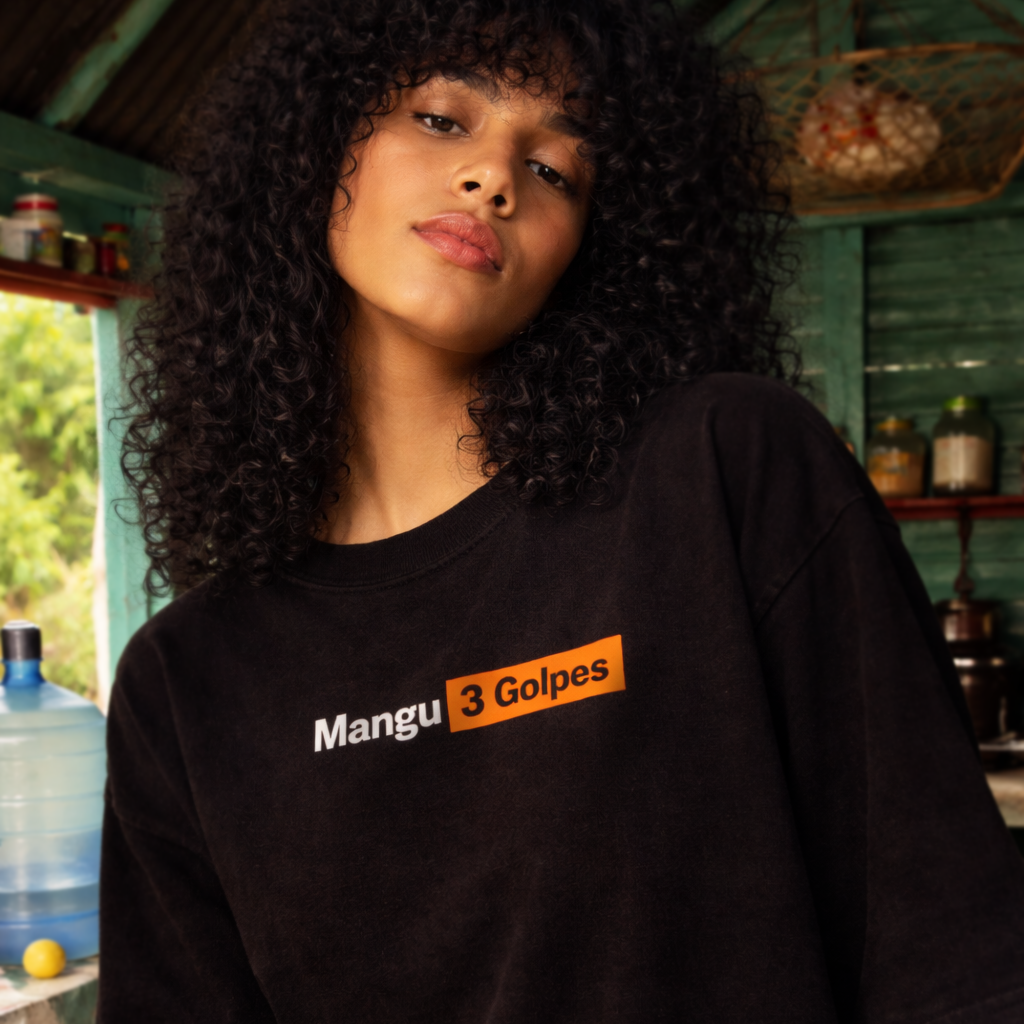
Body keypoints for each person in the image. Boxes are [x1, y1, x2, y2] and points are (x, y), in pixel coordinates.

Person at [97, 0, 1024, 1021]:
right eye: (445, 119)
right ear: (315, 146)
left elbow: (954, 956)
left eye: (554, 172)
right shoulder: (183, 686)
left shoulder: (723, 473)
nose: (494, 176)